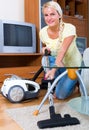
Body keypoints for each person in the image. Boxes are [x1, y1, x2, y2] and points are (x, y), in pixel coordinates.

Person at [39, 1, 82, 99]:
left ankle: (72, 84)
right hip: (60, 65)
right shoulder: (43, 32)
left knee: (60, 95)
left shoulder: (69, 28)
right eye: (46, 15)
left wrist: (53, 70)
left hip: (72, 66)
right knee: (44, 60)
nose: (49, 18)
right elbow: (49, 51)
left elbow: (62, 50)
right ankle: (60, 83)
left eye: (52, 14)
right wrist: (44, 50)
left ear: (59, 14)